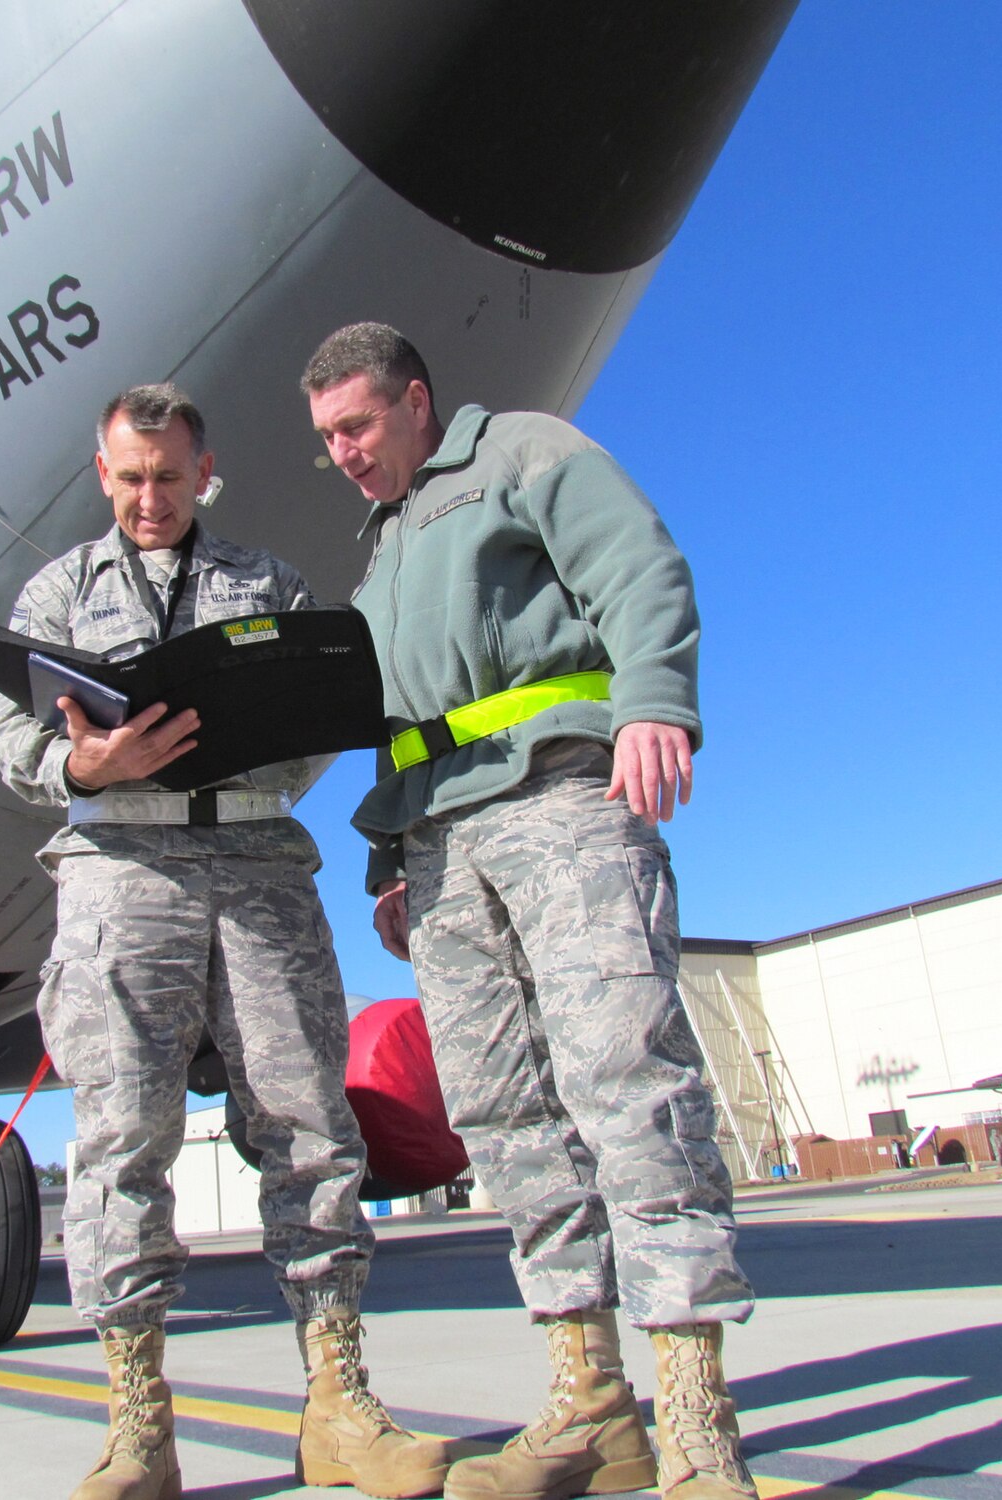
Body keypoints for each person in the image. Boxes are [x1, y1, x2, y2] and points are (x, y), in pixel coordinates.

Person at [301, 324, 757, 1500]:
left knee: (623, 1081)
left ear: (414, 403)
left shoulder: (516, 454)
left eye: (354, 426)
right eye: (327, 440)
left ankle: (697, 1424)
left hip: (560, 798)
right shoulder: (382, 554)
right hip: (438, 844)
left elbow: (636, 565)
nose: (343, 454)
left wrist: (656, 700)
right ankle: (591, 1405)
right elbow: (399, 724)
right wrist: (386, 862)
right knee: (503, 1117)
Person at [0, 383, 447, 1500]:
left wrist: (249, 756)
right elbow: (10, 740)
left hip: (254, 865)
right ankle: (137, 1427)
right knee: (120, 1142)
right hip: (119, 872)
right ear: (103, 475)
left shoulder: (266, 583)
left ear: (205, 472)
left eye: (169, 476)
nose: (150, 498)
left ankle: (337, 1403)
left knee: (306, 1127)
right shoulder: (56, 592)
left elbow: (323, 712)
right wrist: (84, 768)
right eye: (130, 478)